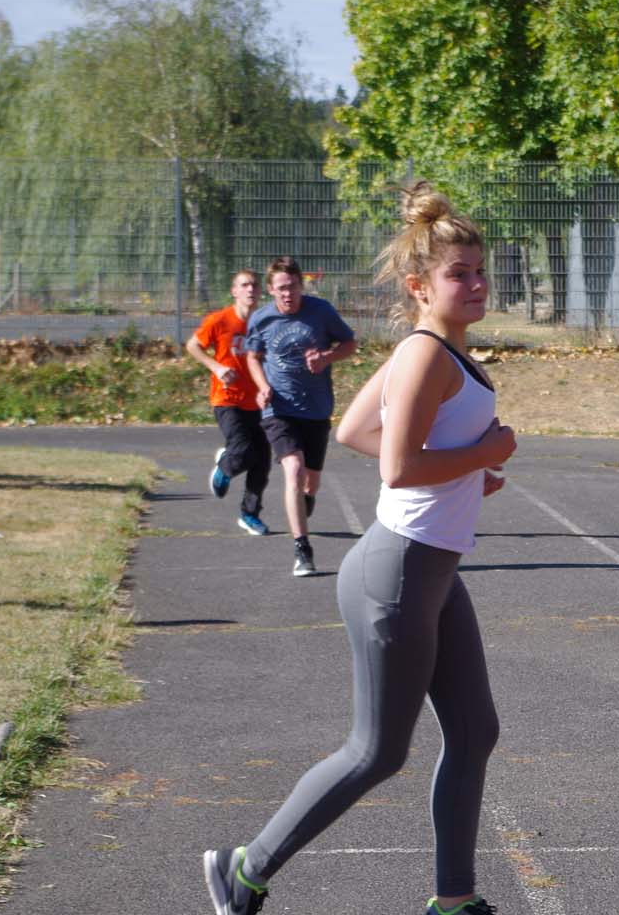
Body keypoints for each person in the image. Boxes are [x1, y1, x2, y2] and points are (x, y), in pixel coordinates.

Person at [204, 184, 517, 915]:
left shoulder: (436, 350)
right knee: (377, 751)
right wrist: (481, 456)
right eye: (457, 274)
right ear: (419, 286)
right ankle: (244, 868)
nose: (474, 285)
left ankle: (453, 900)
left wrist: (470, 475)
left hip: (432, 567)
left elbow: (351, 432)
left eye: (479, 272)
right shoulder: (424, 355)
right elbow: (398, 466)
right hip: (399, 572)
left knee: (474, 732)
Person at [243, 255, 358, 577]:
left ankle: (303, 505)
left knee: (311, 483)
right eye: (281, 289)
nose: (287, 294)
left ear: (301, 285)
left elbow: (350, 344)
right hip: (278, 409)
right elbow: (253, 357)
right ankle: (302, 548)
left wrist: (327, 357)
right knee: (292, 469)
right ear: (270, 290)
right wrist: (262, 386)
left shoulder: (320, 312)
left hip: (316, 409)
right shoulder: (262, 319)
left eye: (292, 287)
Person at [186, 269, 272, 536]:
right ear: (234, 291)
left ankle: (249, 514)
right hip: (227, 398)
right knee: (243, 449)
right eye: (244, 285)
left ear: (260, 291)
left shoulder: (265, 322)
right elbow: (192, 346)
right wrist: (217, 368)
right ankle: (226, 464)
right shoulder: (220, 320)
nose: (250, 290)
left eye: (254, 286)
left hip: (257, 400)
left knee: (262, 460)